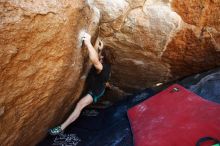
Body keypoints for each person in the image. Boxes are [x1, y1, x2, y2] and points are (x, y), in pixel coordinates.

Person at [49, 33, 112, 135]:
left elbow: (95, 60)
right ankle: (63, 127)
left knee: (79, 106)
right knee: (82, 103)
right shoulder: (108, 66)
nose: (98, 54)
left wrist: (87, 42)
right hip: (101, 88)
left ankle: (61, 128)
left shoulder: (101, 67)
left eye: (100, 54)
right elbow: (99, 59)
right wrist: (101, 48)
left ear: (102, 57)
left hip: (94, 92)